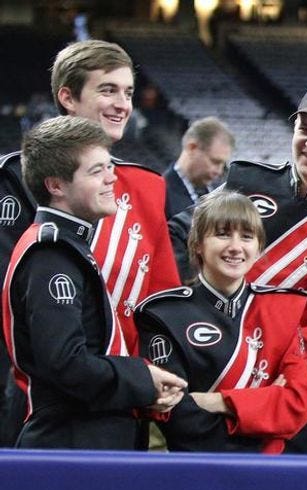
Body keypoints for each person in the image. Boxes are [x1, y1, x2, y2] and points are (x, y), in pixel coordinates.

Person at [168, 84, 307, 454]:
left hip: (286, 393)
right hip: (208, 372)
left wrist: (254, 349)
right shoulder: (247, 181)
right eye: (305, 131)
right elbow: (177, 232)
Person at [0, 40, 181, 446]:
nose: (122, 104)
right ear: (67, 96)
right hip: (45, 403)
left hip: (129, 402)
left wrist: (154, 382)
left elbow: (162, 301)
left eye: (129, 92)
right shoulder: (17, 179)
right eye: (108, 90)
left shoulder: (149, 187)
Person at [135, 192, 307, 453]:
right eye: (222, 234)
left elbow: (299, 404)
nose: (236, 247)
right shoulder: (163, 315)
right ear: (198, 244)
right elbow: (178, 418)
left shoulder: (283, 310)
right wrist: (264, 408)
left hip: (265, 469)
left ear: (259, 247)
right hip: (191, 469)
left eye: (246, 237)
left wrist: (219, 402)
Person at [163, 116, 234, 219]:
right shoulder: (161, 193)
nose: (219, 171)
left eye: (223, 164)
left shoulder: (221, 192)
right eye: (215, 162)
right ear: (192, 148)